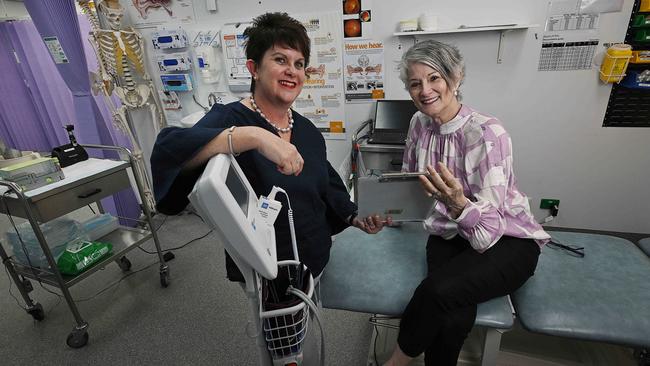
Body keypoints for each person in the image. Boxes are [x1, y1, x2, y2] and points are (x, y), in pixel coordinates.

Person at [150, 12, 386, 283]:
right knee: (278, 326)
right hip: (266, 267)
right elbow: (170, 150)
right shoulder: (230, 119)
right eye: (280, 59)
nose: (292, 71)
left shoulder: (306, 129)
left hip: (314, 254)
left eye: (299, 64)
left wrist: (354, 214)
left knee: (306, 322)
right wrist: (254, 137)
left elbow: (326, 180)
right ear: (254, 69)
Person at [384, 40, 551, 366]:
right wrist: (388, 210)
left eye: (435, 78)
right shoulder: (419, 123)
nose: (425, 90)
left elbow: (489, 232)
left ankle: (395, 362)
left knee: (435, 292)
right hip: (448, 233)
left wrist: (459, 204)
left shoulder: (487, 133)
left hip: (507, 240)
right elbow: (409, 180)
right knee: (451, 318)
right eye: (415, 83)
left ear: (456, 78)